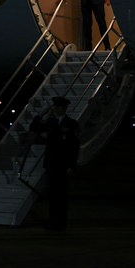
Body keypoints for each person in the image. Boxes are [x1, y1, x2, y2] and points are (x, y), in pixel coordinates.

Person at [30, 96, 80, 231]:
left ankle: (61, 222)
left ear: (64, 108)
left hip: (63, 165)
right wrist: (42, 113)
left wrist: (71, 165)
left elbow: (74, 147)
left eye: (58, 107)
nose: (56, 109)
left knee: (61, 195)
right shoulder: (51, 123)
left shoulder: (72, 124)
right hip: (51, 164)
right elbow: (34, 127)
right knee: (52, 195)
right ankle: (53, 222)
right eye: (55, 107)